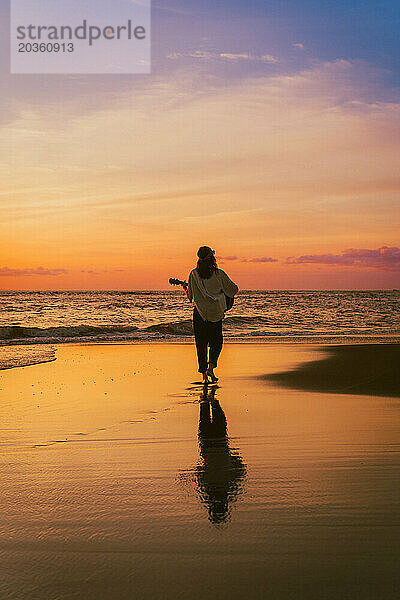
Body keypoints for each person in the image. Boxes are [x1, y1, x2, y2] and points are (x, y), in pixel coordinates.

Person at [182, 246, 238, 384]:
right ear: (212, 258)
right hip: (215, 313)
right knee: (217, 342)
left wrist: (185, 288)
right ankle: (211, 368)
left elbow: (190, 297)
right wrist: (221, 294)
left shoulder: (193, 274)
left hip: (199, 314)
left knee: (200, 344)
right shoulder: (219, 274)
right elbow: (233, 290)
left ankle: (203, 376)